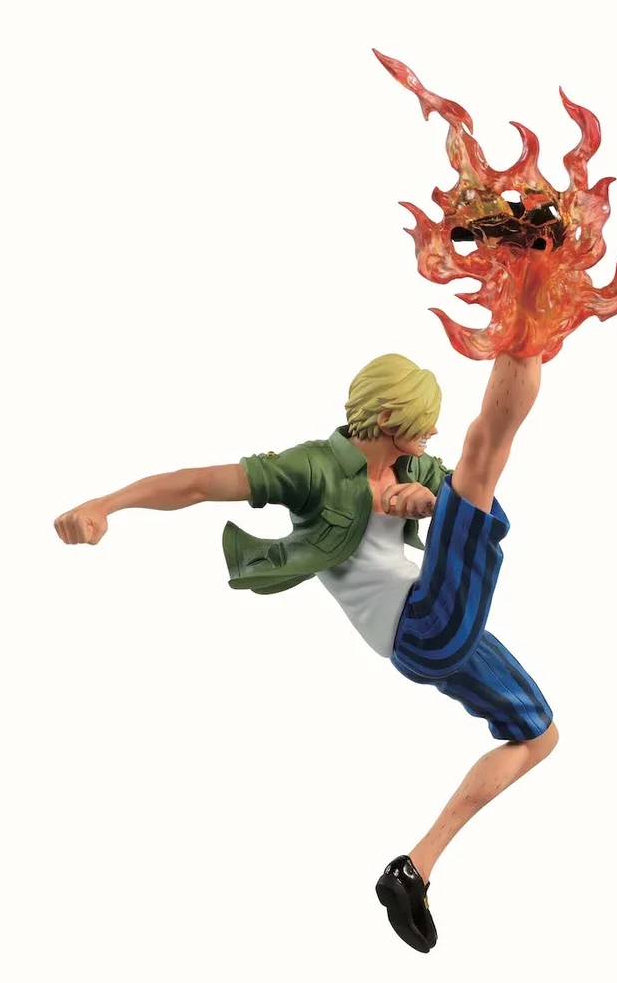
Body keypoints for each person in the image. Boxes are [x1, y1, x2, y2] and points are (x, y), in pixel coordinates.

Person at [54, 351, 557, 953]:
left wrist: (422, 499)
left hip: (436, 625)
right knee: (486, 451)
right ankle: (524, 333)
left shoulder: (413, 464)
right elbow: (197, 484)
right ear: (389, 416)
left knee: (539, 735)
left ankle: (413, 870)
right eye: (424, 421)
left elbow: (431, 494)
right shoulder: (312, 468)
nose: (432, 432)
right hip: (420, 628)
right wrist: (104, 505)